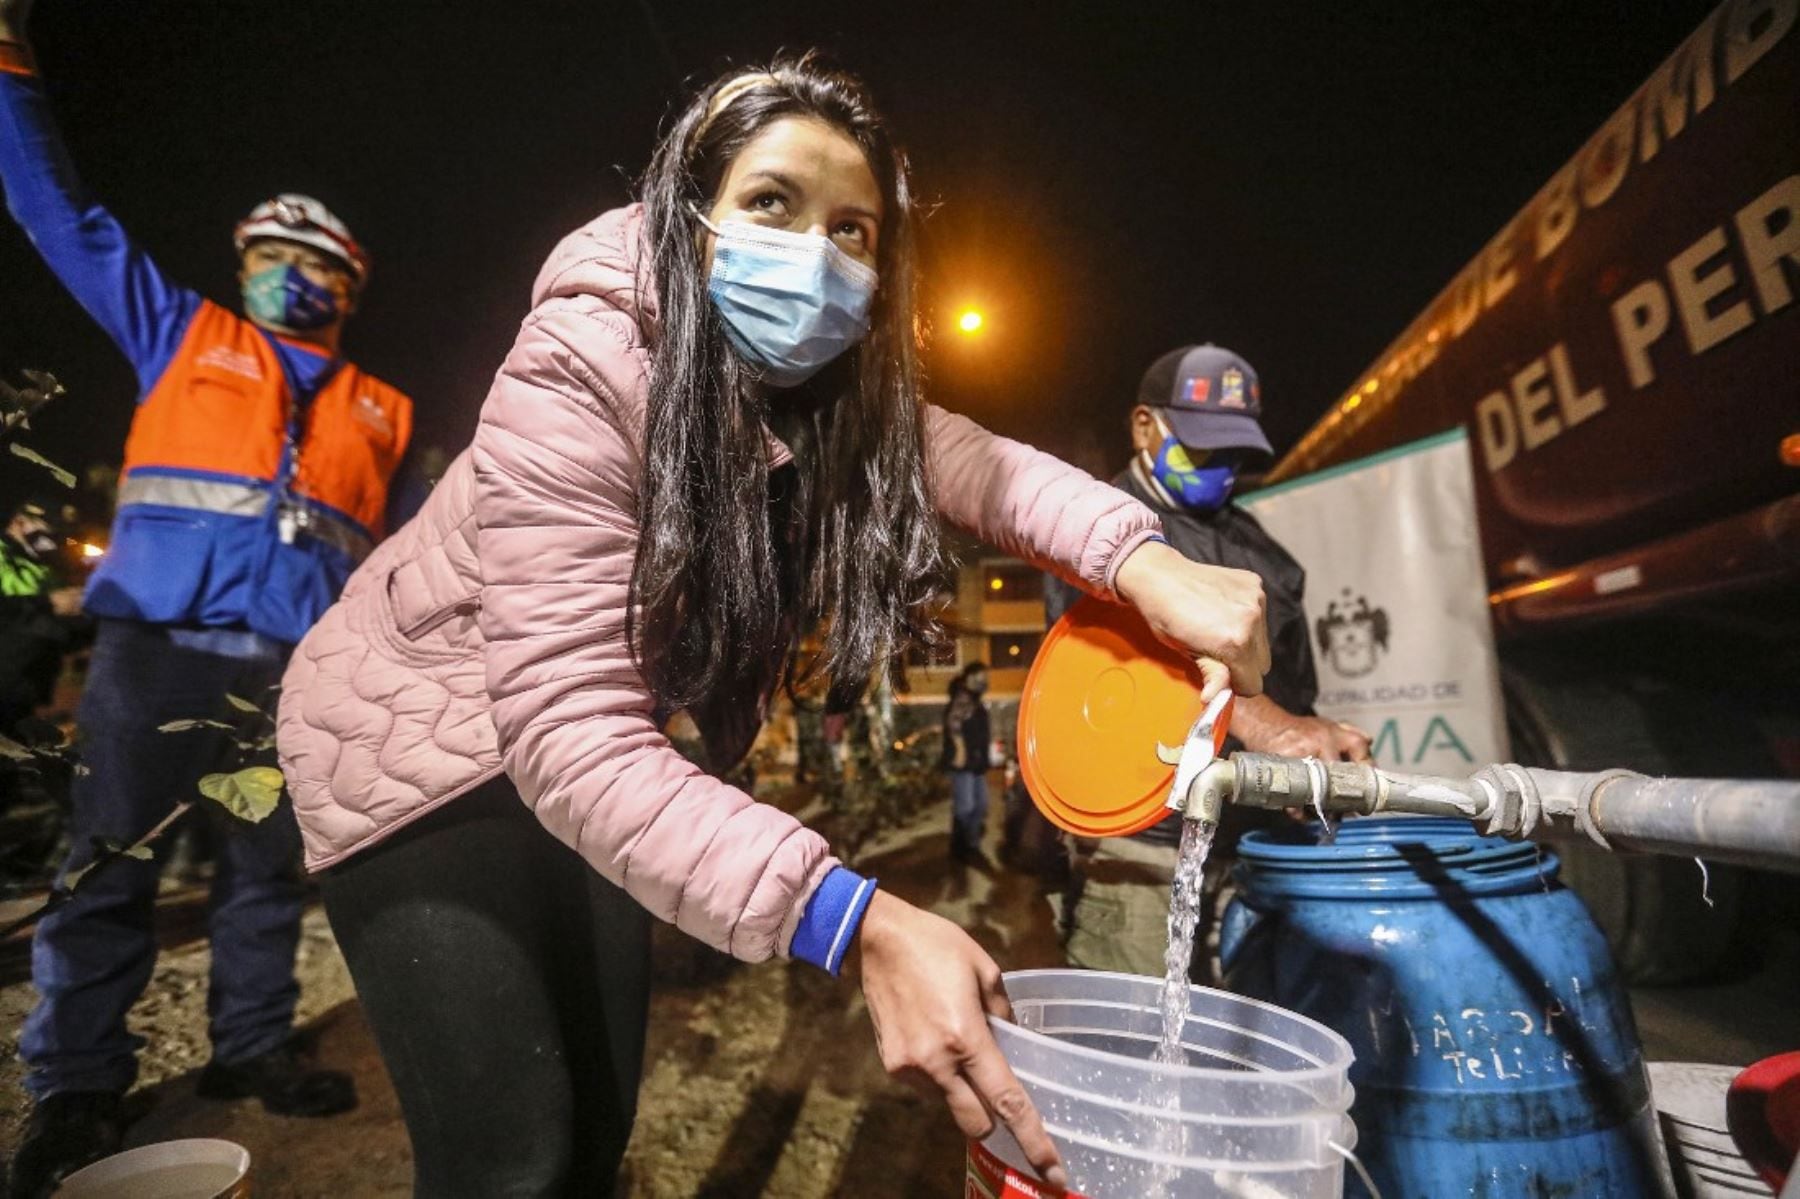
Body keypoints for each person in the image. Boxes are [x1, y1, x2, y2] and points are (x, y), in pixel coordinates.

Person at [275, 59, 1270, 1196]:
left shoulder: (824, 392)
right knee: (513, 1155)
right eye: (772, 203)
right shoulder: (582, 361)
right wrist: (856, 920)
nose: (817, 256)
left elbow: (984, 469)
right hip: (415, 746)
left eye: (853, 230)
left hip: (585, 750)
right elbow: (565, 728)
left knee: (596, 1123)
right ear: (692, 211)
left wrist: (1148, 562)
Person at [0, 3, 415, 1191]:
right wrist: (10, 70)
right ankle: (77, 1088)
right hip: (154, 653)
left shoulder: (385, 412)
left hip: (290, 673)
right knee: (108, 868)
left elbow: (395, 556)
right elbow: (60, 216)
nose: (291, 272)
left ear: (350, 284)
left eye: (315, 261)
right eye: (270, 254)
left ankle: (250, 1046)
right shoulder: (178, 332)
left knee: (266, 872)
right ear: (241, 267)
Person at [1050, 344, 1371, 981]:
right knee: (1139, 1028)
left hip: (1253, 843)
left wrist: (1313, 749)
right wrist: (1272, 727)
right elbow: (1140, 658)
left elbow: (1290, 684)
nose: (1221, 468)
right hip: (1148, 848)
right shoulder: (1098, 531)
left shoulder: (1260, 545)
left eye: (1234, 453)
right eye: (1203, 448)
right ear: (1145, 425)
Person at [0, 499, 83, 734]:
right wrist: (48, 603)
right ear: (19, 521)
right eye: (47, 527)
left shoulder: (44, 567)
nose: (53, 535)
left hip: (28, 680)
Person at [942, 661, 994, 865]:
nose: (984, 681)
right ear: (969, 678)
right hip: (964, 763)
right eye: (981, 677)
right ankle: (961, 847)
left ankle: (971, 845)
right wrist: (960, 750)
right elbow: (953, 724)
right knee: (966, 807)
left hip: (976, 763)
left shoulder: (974, 700)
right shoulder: (963, 698)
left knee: (981, 805)